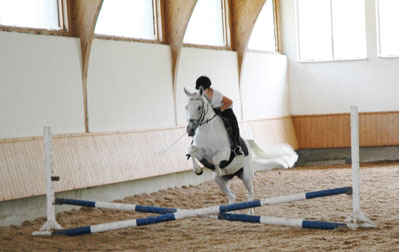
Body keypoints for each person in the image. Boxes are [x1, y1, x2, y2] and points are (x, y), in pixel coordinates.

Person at [195, 76, 243, 155]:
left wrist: (219, 109)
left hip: (225, 109)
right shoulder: (201, 96)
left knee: (233, 124)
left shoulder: (216, 95)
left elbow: (230, 102)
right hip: (212, 113)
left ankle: (237, 146)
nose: (201, 92)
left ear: (208, 88)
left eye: (203, 90)